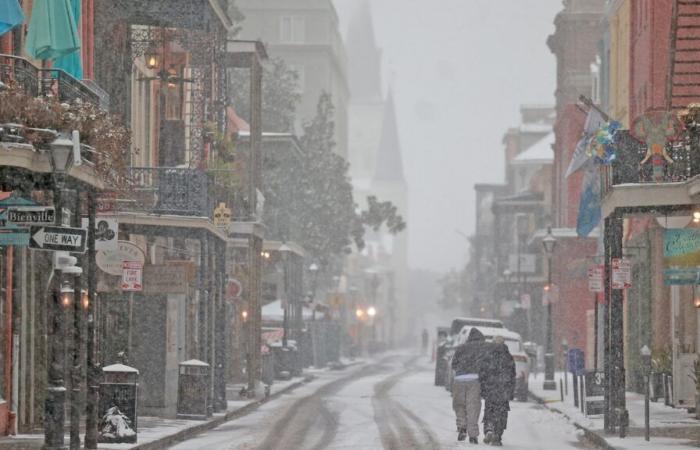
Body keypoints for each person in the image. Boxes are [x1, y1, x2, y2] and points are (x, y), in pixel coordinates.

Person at [451, 328, 489, 443]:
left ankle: (462, 428)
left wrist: (461, 369)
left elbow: (454, 364)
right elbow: (485, 366)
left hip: (459, 379)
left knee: (459, 405)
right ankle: (473, 435)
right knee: (473, 406)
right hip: (474, 379)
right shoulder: (482, 348)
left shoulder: (461, 347)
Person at [479, 336, 516, 446]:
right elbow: (512, 375)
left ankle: (489, 428)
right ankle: (497, 435)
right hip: (503, 390)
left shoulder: (488, 355)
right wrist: (511, 391)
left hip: (491, 389)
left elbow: (482, 373)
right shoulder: (508, 357)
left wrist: (483, 388)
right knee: (502, 412)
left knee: (489, 409)